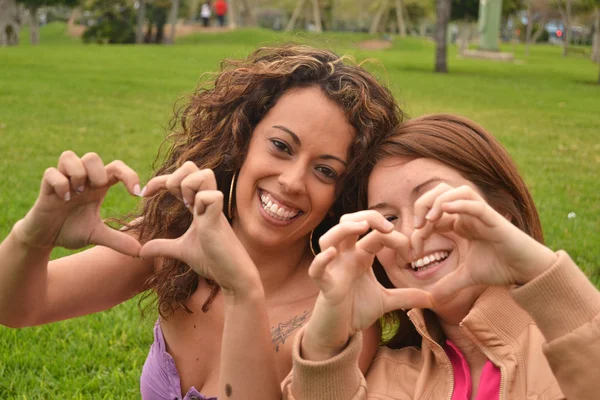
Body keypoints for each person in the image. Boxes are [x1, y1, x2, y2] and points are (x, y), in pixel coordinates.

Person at [0, 44, 403, 399]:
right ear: (241, 141)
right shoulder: (177, 240)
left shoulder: (337, 316)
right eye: (281, 146)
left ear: (342, 196)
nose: (292, 181)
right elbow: (18, 309)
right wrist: (34, 235)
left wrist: (242, 288)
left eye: (326, 171)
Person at [282, 114, 600, 400]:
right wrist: (325, 339)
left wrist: (537, 270)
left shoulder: (570, 346)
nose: (410, 235)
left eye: (435, 203)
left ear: (502, 213)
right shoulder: (383, 379)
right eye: (387, 219)